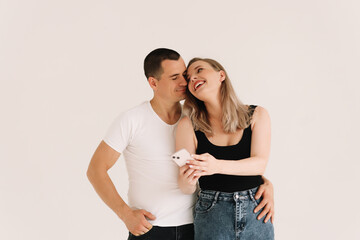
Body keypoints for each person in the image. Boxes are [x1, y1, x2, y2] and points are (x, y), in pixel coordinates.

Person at [87, 49, 274, 240]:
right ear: (153, 82)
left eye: (185, 76)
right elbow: (96, 170)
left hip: (194, 225)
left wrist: (264, 183)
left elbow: (229, 162)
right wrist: (125, 214)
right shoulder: (132, 120)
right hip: (150, 226)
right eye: (176, 77)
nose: (185, 82)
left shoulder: (193, 119)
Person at [176, 58, 275, 240]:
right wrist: (188, 180)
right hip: (212, 213)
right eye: (188, 78)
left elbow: (259, 164)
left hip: (257, 210)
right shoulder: (187, 125)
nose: (193, 79)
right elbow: (185, 187)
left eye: (199, 70)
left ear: (221, 75)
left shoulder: (257, 115)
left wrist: (216, 166)